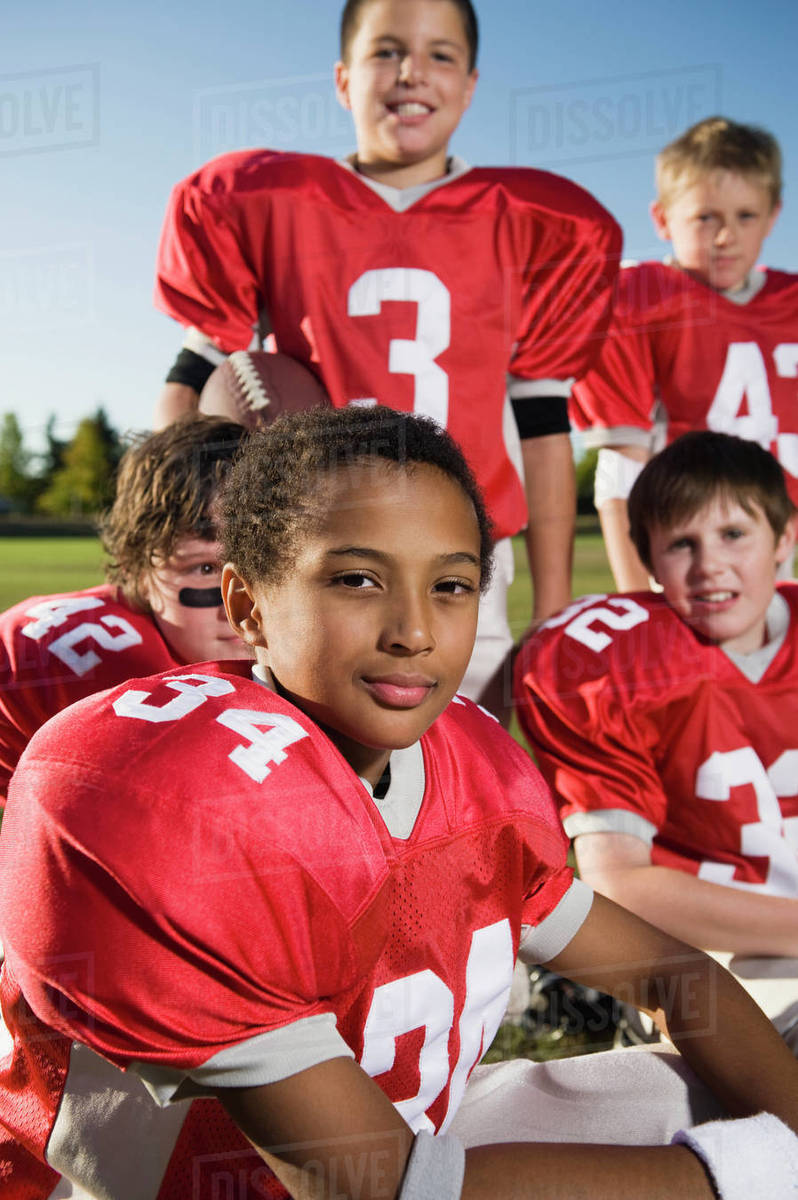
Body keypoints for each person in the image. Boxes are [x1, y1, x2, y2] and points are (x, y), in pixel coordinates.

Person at [1, 408, 797, 1200]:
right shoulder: (170, 798)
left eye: (450, 586)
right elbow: (373, 1186)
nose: (414, 630)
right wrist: (752, 1170)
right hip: (160, 1186)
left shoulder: (476, 764)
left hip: (409, 1141)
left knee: (687, 1099)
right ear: (247, 605)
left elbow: (669, 976)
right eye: (356, 579)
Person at [152, 0, 622, 712]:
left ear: (469, 84)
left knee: (461, 795)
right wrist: (173, 529)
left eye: (440, 55)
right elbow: (190, 383)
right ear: (342, 79)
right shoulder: (262, 199)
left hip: (464, 564)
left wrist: (552, 604)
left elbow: (545, 427)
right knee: (305, 791)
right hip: (309, 555)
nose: (411, 72)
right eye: (386, 51)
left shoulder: (536, 222)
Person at [515, 431, 798, 1053]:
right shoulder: (611, 660)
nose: (710, 566)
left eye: (733, 534)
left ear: (784, 539)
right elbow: (622, 885)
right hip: (704, 950)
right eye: (681, 544)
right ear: (646, 558)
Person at [570, 116, 797, 591]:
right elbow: (620, 476)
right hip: (676, 550)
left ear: (774, 214)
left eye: (745, 216)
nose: (724, 236)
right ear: (662, 218)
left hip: (775, 549)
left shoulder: (790, 303)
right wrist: (638, 602)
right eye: (705, 216)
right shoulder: (637, 301)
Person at [0, 414, 251, 810]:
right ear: (136, 565)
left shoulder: (154, 624)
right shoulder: (137, 674)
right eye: (205, 568)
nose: (243, 600)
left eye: (261, 561)